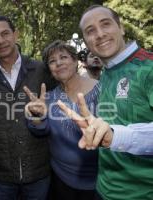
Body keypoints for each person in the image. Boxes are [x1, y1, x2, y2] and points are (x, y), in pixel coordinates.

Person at [57, 5, 153, 200]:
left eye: (105, 24)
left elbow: (114, 134)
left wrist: (114, 137)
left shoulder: (148, 68)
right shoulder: (108, 71)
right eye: (90, 31)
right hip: (103, 189)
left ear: (122, 27)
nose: (99, 34)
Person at [0, 15, 56, 200]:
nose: (1, 41)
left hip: (39, 170)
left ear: (16, 34)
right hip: (1, 173)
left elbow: (59, 108)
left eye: (5, 34)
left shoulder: (41, 70)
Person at [24, 40, 99, 200]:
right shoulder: (49, 97)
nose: (58, 63)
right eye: (52, 61)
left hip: (99, 182)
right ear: (50, 70)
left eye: (63, 57)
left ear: (76, 61)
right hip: (61, 180)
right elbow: (41, 130)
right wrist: (38, 117)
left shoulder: (102, 89)